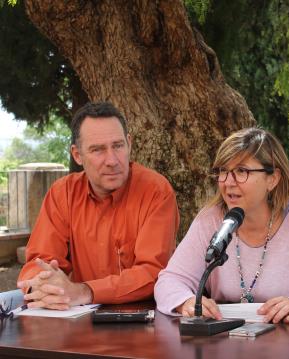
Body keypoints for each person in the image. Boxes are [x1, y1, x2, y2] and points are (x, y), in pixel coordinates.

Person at [155, 127, 289, 323]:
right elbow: (169, 281)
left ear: (273, 179)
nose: (228, 182)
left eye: (241, 171)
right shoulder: (210, 220)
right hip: (224, 343)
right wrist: (186, 302)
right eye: (223, 171)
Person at [17, 102, 179, 310]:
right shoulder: (63, 193)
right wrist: (40, 287)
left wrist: (84, 291)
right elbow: (39, 262)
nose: (112, 160)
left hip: (142, 318)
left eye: (118, 146)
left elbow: (153, 272)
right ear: (77, 155)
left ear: (129, 143)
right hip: (77, 317)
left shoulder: (155, 191)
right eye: (98, 150)